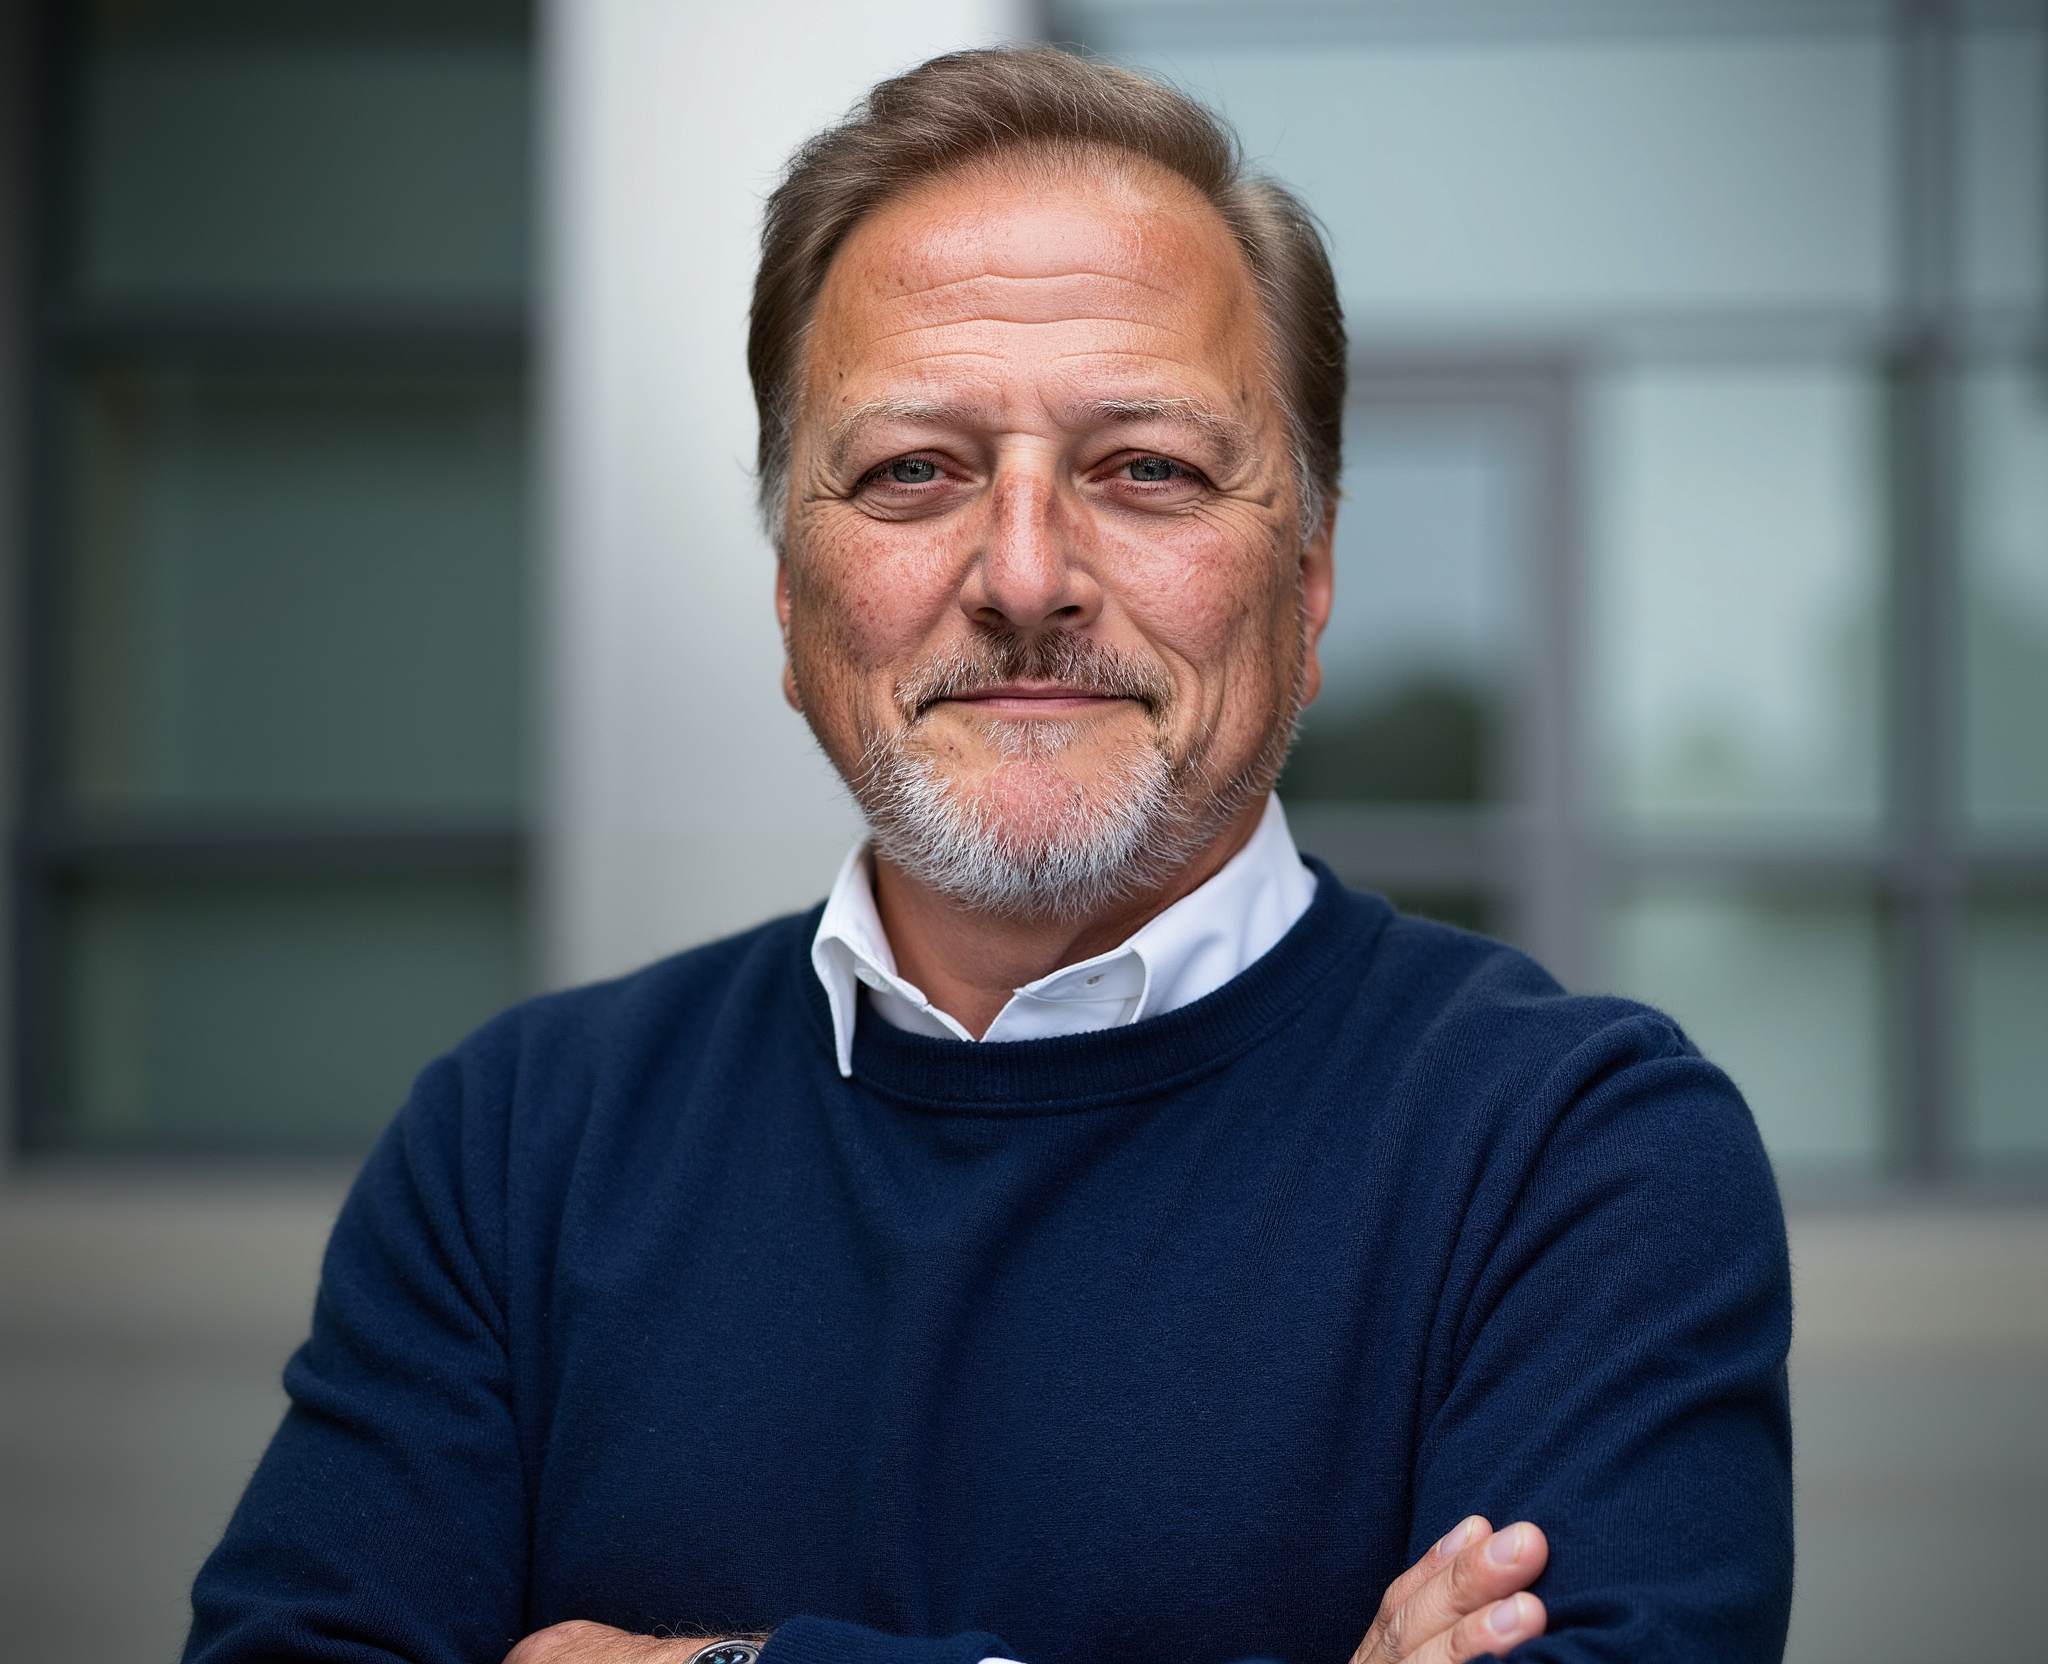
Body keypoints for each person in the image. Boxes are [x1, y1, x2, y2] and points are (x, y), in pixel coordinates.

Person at [184, 47, 1792, 1664]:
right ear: (793, 600)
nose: (1026, 576)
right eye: (912, 473)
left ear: (1304, 582)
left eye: (1147, 467)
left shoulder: (1577, 1162)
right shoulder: (520, 1145)